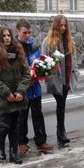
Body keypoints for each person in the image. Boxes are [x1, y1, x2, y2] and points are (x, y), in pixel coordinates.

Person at [0, 27, 30, 164]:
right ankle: (0, 146)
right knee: (5, 124)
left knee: (15, 125)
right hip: (1, 96)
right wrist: (6, 93)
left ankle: (14, 153)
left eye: (9, 35)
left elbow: (26, 73)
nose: (7, 38)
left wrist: (20, 91)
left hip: (16, 95)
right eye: (4, 36)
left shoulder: (18, 52)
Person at [15, 19, 53, 154]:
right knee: (22, 117)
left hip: (35, 88)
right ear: (17, 32)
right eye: (25, 33)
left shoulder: (34, 46)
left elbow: (39, 63)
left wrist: (43, 72)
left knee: (38, 115)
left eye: (29, 32)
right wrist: (24, 81)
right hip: (22, 90)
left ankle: (41, 141)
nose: (28, 35)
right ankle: (21, 142)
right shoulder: (14, 48)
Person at [42, 15, 78, 146]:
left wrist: (75, 72)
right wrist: (50, 74)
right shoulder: (49, 41)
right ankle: (61, 132)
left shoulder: (69, 40)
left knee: (62, 106)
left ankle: (61, 132)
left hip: (68, 77)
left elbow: (74, 58)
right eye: (61, 25)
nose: (63, 28)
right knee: (61, 104)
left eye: (65, 25)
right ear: (56, 25)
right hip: (56, 79)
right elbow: (44, 60)